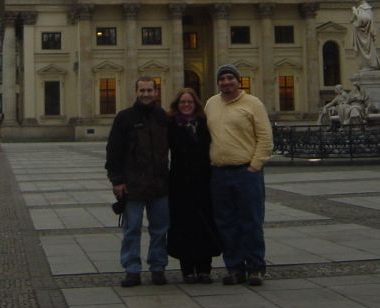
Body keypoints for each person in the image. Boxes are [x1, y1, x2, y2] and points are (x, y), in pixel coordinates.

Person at [205, 64, 273, 286]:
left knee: (251, 221)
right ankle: (234, 267)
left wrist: (255, 165)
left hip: (246, 172)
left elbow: (265, 138)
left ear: (238, 81)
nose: (226, 82)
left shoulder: (253, 103)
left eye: (230, 78)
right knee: (226, 223)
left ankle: (255, 267)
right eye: (222, 79)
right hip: (219, 173)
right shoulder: (211, 104)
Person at [105, 76, 170, 287]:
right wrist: (117, 181)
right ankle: (132, 269)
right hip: (133, 185)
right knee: (131, 229)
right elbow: (113, 151)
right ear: (136, 92)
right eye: (142, 90)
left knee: (159, 229)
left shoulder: (162, 117)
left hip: (159, 184)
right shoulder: (125, 117)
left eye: (150, 90)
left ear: (156, 92)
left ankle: (158, 267)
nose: (146, 94)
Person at [166, 88, 221, 284]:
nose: (186, 105)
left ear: (196, 104)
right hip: (179, 183)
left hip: (203, 181)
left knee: (205, 223)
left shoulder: (205, 124)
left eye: (189, 102)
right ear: (177, 105)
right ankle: (187, 269)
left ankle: (204, 268)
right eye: (183, 102)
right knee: (183, 225)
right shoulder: (171, 125)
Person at [351, 0, 380, 70]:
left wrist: (355, 13)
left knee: (367, 51)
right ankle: (366, 65)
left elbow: (365, 20)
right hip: (361, 35)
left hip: (365, 35)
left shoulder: (366, 8)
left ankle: (369, 65)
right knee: (363, 53)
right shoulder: (361, 8)